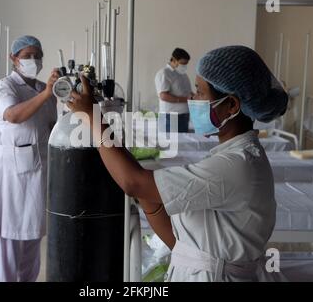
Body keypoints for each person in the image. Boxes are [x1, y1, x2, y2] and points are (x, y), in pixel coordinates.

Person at [68, 45, 289, 282]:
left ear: (232, 105)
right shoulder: (230, 156)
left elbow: (132, 183)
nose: (193, 99)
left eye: (200, 92)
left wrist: (92, 116)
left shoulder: (237, 164)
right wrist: (148, 193)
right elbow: (181, 243)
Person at [0, 35, 60, 282]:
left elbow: (52, 127)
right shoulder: (5, 86)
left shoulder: (43, 90)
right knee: (8, 242)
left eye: (37, 56)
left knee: (31, 238)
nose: (33, 60)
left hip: (37, 173)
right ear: (13, 58)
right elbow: (13, 115)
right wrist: (47, 92)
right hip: (10, 175)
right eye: (26, 56)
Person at [155, 48, 194, 133]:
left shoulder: (183, 75)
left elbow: (188, 92)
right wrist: (186, 99)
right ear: (174, 60)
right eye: (182, 63)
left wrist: (197, 97)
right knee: (171, 144)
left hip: (184, 115)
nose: (184, 66)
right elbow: (163, 96)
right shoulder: (164, 73)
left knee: (183, 144)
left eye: (186, 64)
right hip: (170, 117)